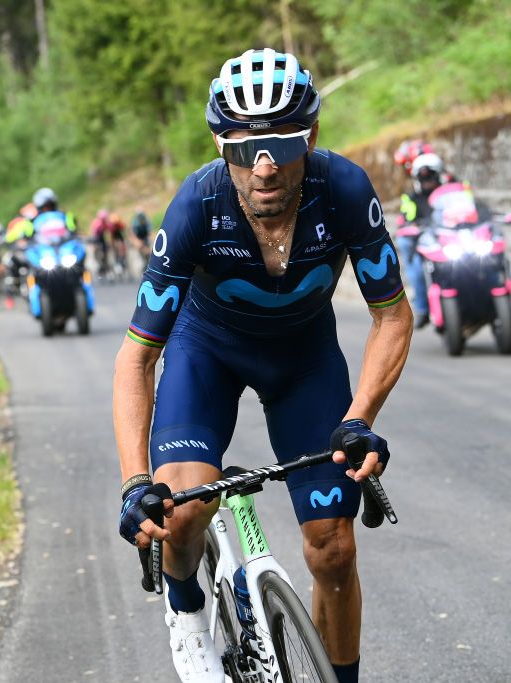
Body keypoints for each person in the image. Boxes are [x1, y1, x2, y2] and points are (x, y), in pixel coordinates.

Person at [113, 48, 412, 683]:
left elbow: (392, 315)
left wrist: (359, 418)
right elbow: (137, 358)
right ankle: (189, 613)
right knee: (182, 511)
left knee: (333, 548)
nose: (266, 165)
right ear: (222, 148)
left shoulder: (345, 190)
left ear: (314, 136)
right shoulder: (196, 206)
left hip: (304, 361)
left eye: (283, 143)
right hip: (207, 356)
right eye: (247, 148)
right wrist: (135, 481)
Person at [395, 151, 454, 328]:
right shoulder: (411, 199)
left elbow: (472, 206)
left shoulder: (453, 190)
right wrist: (410, 227)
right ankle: (422, 307)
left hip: (453, 237)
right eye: (423, 177)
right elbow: (404, 220)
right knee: (414, 260)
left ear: (439, 175)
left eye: (431, 176)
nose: (427, 180)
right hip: (428, 241)